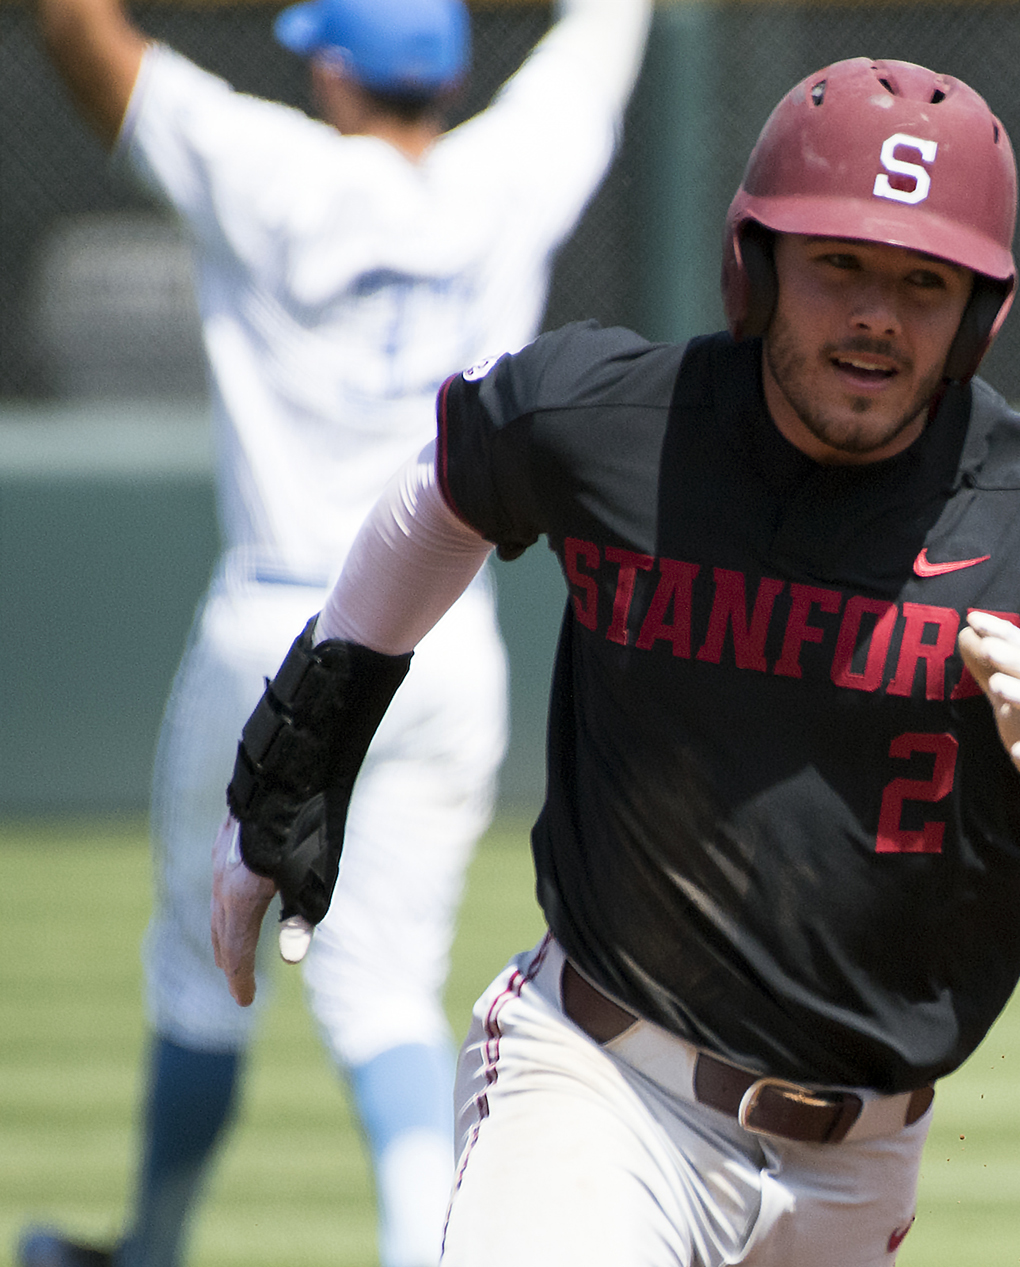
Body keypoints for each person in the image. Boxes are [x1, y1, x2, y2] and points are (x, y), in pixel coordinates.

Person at [208, 56, 1020, 1266]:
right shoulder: (620, 421)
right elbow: (446, 484)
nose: (877, 315)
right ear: (755, 268)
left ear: (979, 316)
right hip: (599, 1085)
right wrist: (318, 726)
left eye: (924, 283)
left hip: (860, 1168)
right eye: (840, 264)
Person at [19, 0, 651, 1264]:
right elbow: (601, 37)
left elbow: (86, 42)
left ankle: (151, 1247)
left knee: (198, 969)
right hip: (444, 629)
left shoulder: (269, 167)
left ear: (330, 70)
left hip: (281, 622)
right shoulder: (506, 172)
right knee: (388, 987)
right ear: (450, 70)